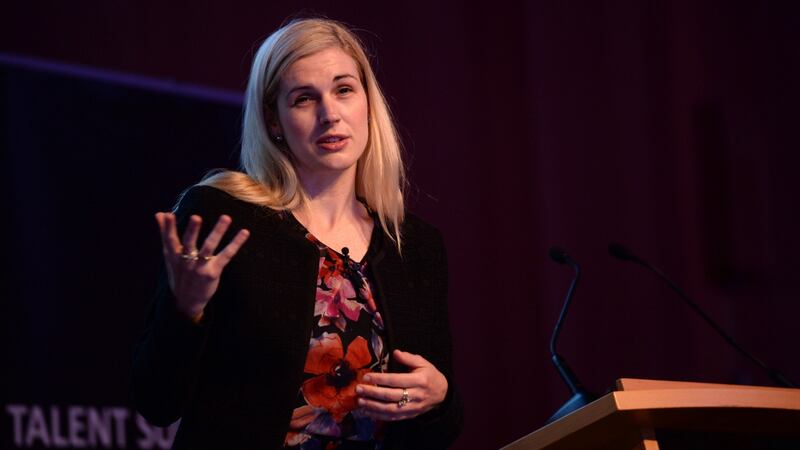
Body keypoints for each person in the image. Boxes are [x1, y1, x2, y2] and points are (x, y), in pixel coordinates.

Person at [132, 17, 463, 449]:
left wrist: (438, 397)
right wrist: (186, 308)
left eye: (344, 90)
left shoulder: (414, 247)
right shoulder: (225, 218)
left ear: (367, 102)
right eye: (305, 98)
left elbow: (440, 432)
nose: (330, 114)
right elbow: (156, 402)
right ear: (274, 120)